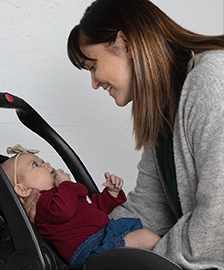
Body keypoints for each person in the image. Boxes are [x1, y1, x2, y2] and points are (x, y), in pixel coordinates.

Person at [66, 0, 224, 269]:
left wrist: (153, 248)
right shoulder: (164, 105)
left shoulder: (212, 80)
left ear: (125, 43)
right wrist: (87, 243)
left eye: (93, 66)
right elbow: (151, 207)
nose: (94, 83)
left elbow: (217, 221)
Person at [1, 144, 161, 265]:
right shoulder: (41, 202)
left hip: (104, 235)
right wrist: (65, 184)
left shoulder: (63, 192)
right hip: (89, 249)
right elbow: (64, 211)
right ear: (23, 189)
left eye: (42, 161)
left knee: (144, 246)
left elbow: (93, 208)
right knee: (146, 238)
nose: (47, 164)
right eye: (36, 165)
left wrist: (111, 193)